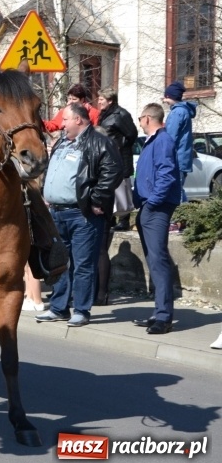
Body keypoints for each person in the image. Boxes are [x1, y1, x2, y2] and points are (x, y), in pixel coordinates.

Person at [35, 103, 122, 327]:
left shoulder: (99, 142)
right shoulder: (62, 143)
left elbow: (113, 171)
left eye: (65, 120)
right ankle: (58, 308)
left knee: (83, 264)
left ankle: (81, 310)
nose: (60, 125)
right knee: (59, 263)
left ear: (78, 120)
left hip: (82, 214)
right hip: (57, 213)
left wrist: (96, 200)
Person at [131, 103, 182, 335]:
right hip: (148, 206)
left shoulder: (162, 140)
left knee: (159, 260)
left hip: (156, 207)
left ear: (149, 118)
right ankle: (158, 312)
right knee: (154, 260)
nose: (139, 122)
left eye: (140, 118)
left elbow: (167, 173)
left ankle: (164, 317)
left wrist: (153, 202)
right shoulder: (153, 141)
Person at [95, 87, 138, 307]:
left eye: (101, 98)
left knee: (121, 196)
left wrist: (119, 146)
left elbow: (132, 135)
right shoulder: (103, 114)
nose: (98, 101)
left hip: (119, 159)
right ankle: (116, 218)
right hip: (108, 159)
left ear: (110, 100)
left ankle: (123, 219)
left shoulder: (121, 115)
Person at [162, 81, 195, 203]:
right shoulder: (182, 111)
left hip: (177, 158)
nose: (164, 100)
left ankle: (179, 218)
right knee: (178, 188)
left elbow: (170, 137)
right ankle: (183, 216)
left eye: (166, 97)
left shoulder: (177, 112)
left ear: (171, 97)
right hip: (181, 158)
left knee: (176, 191)